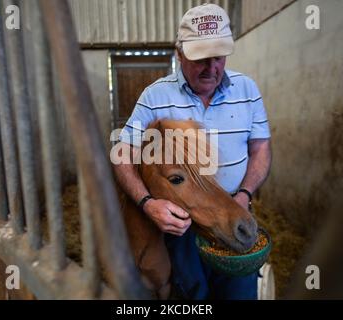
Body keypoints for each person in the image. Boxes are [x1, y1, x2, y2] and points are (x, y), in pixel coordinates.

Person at [112, 3, 272, 299]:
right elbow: (122, 155)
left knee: (239, 292)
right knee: (190, 295)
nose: (211, 67)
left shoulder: (247, 90)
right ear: (180, 53)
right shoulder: (156, 95)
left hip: (233, 208)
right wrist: (148, 203)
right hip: (184, 225)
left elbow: (260, 148)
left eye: (219, 57)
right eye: (200, 58)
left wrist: (244, 194)